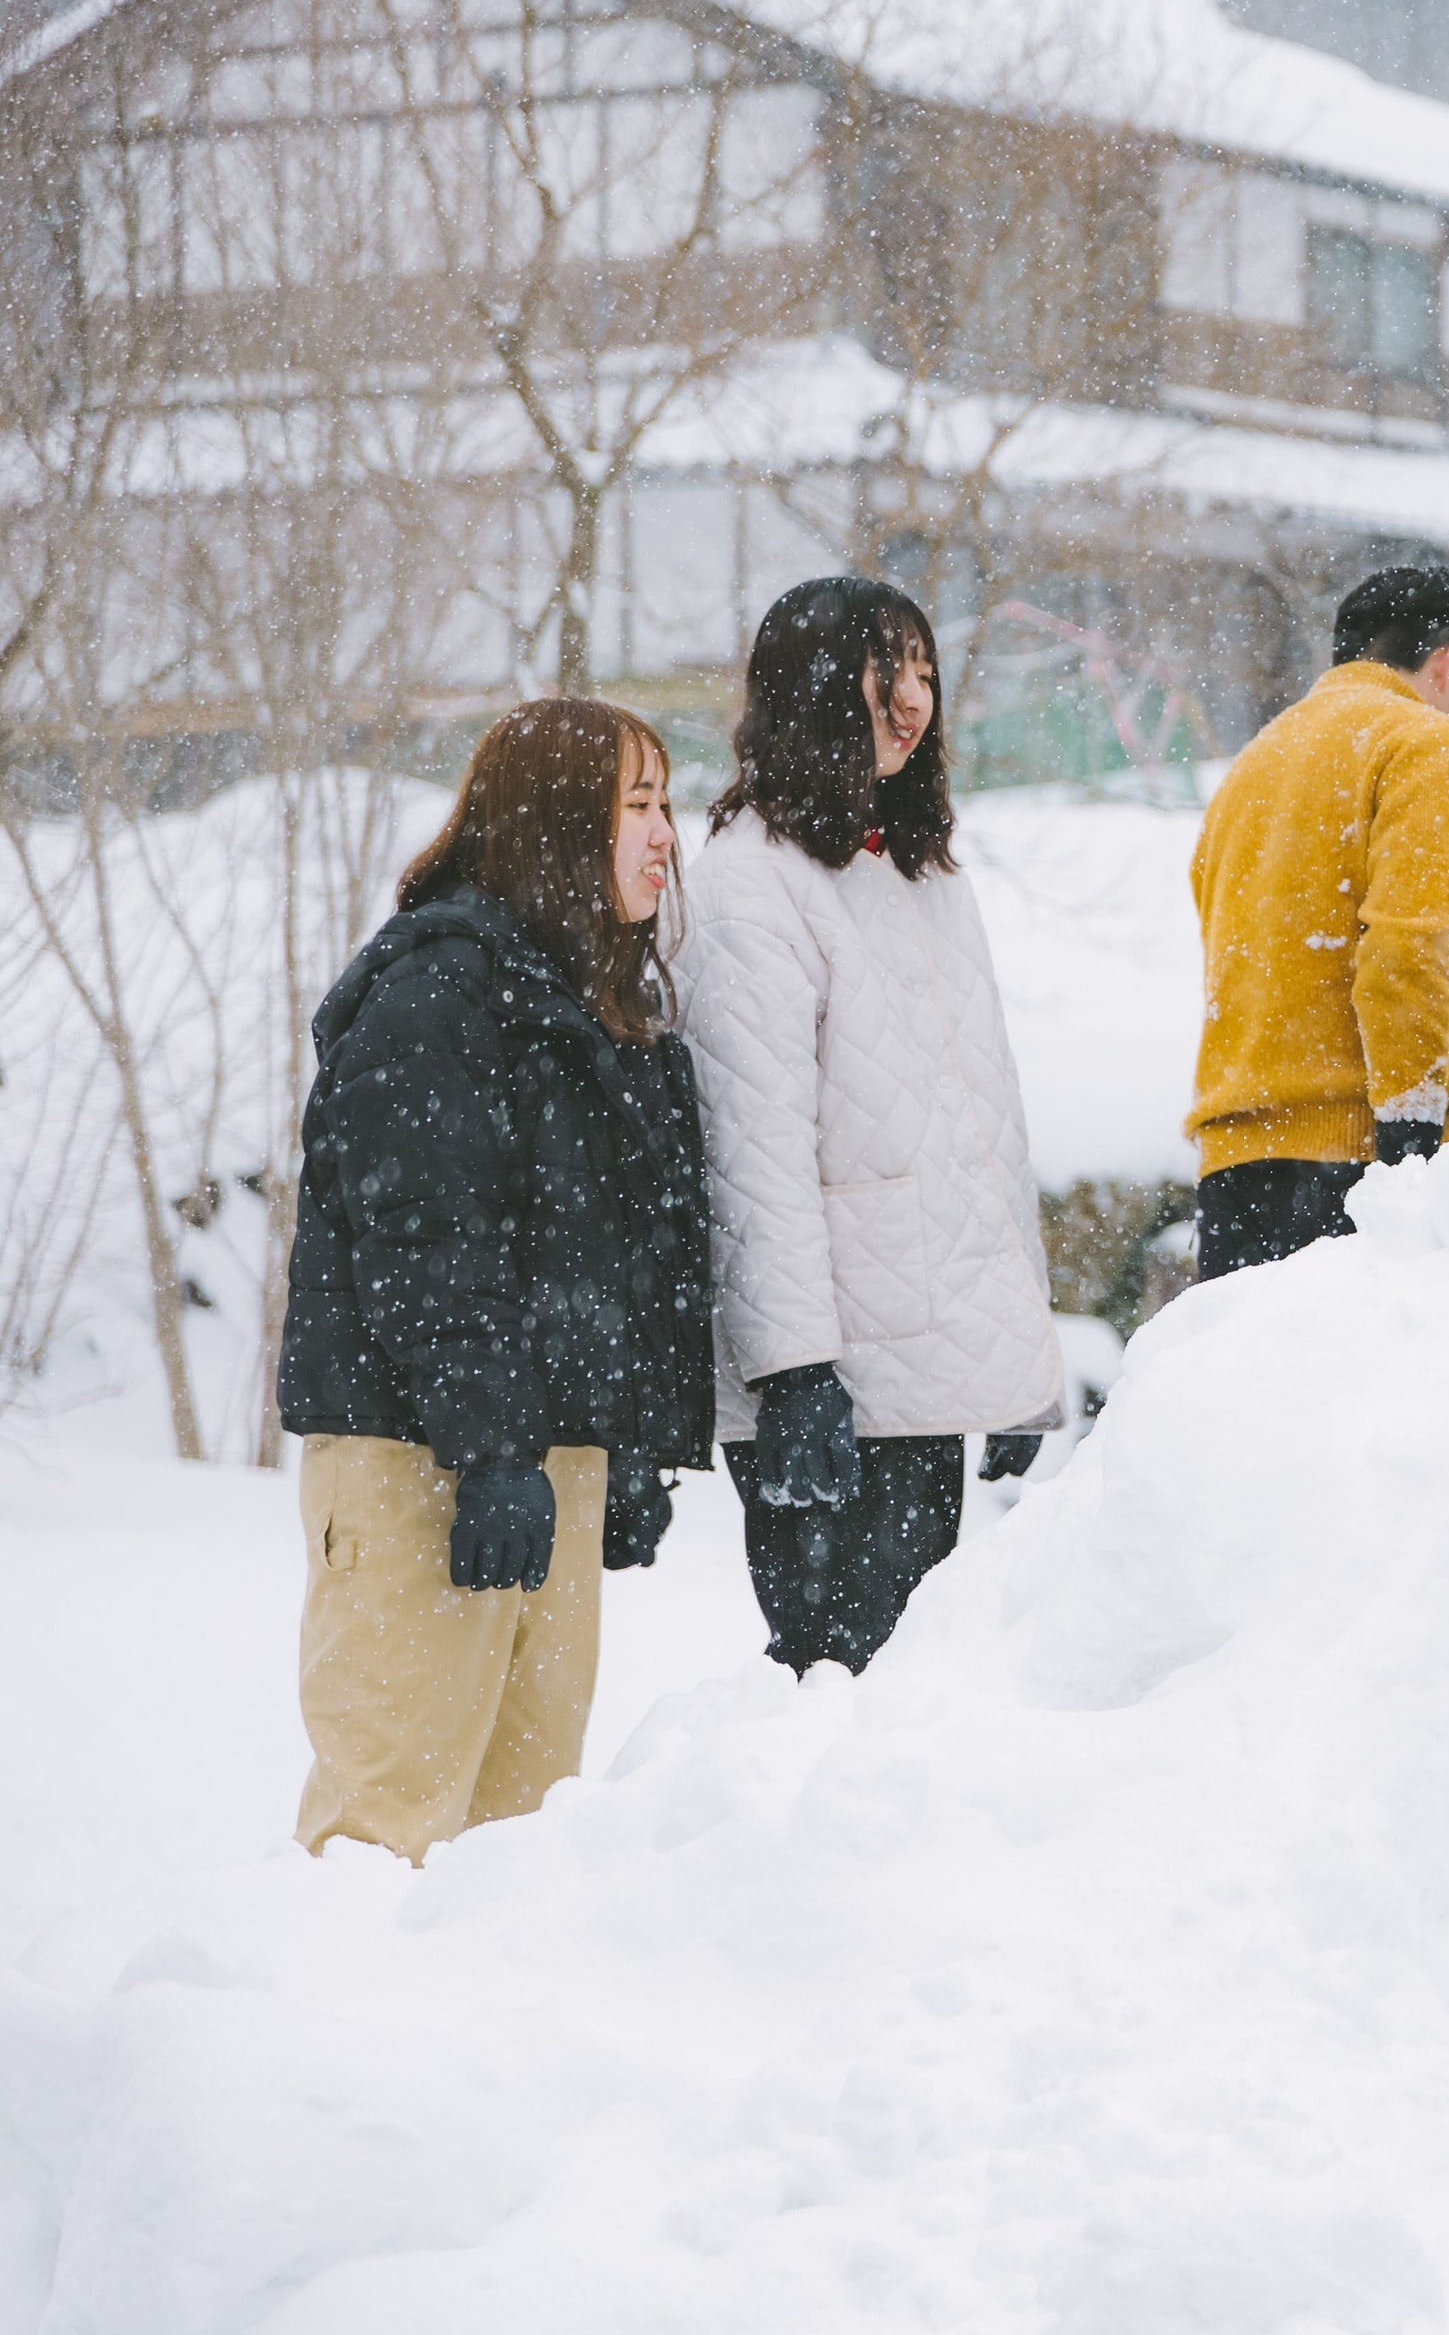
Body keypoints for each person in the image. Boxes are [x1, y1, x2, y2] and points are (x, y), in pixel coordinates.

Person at [280, 697, 715, 1858]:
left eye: (666, 802)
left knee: (521, 1844)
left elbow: (618, 1249)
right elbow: (427, 1243)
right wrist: (490, 1452)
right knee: (387, 1829)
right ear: (560, 821)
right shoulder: (439, 988)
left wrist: (614, 1438)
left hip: (541, 1461)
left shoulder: (599, 1002)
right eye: (637, 804)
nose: (665, 833)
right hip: (420, 1457)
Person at [679, 577, 1060, 1678]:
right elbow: (752, 1156)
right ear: (812, 689)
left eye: (926, 673)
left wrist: (1016, 1358)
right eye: (884, 673)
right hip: (832, 1384)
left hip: (929, 1367)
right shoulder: (750, 888)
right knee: (835, 1687)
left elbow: (984, 1136)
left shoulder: (925, 876)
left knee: (915, 1694)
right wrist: (794, 1372)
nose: (913, 701)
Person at [1186, 561, 1449, 1277]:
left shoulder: (1252, 766)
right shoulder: (1433, 744)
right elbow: (1409, 947)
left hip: (1233, 1162)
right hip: (1361, 1157)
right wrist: (1412, 1139)